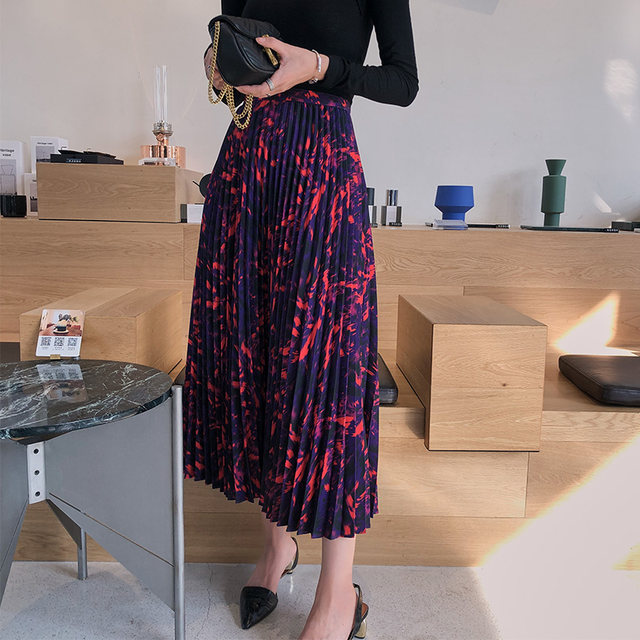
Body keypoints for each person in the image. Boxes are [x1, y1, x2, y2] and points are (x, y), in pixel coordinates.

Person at [183, 1, 418, 638]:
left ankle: (339, 592)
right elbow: (236, 48)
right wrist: (219, 68)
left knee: (328, 368)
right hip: (247, 165)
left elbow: (403, 82)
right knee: (254, 352)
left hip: (320, 167)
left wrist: (317, 66)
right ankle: (276, 546)